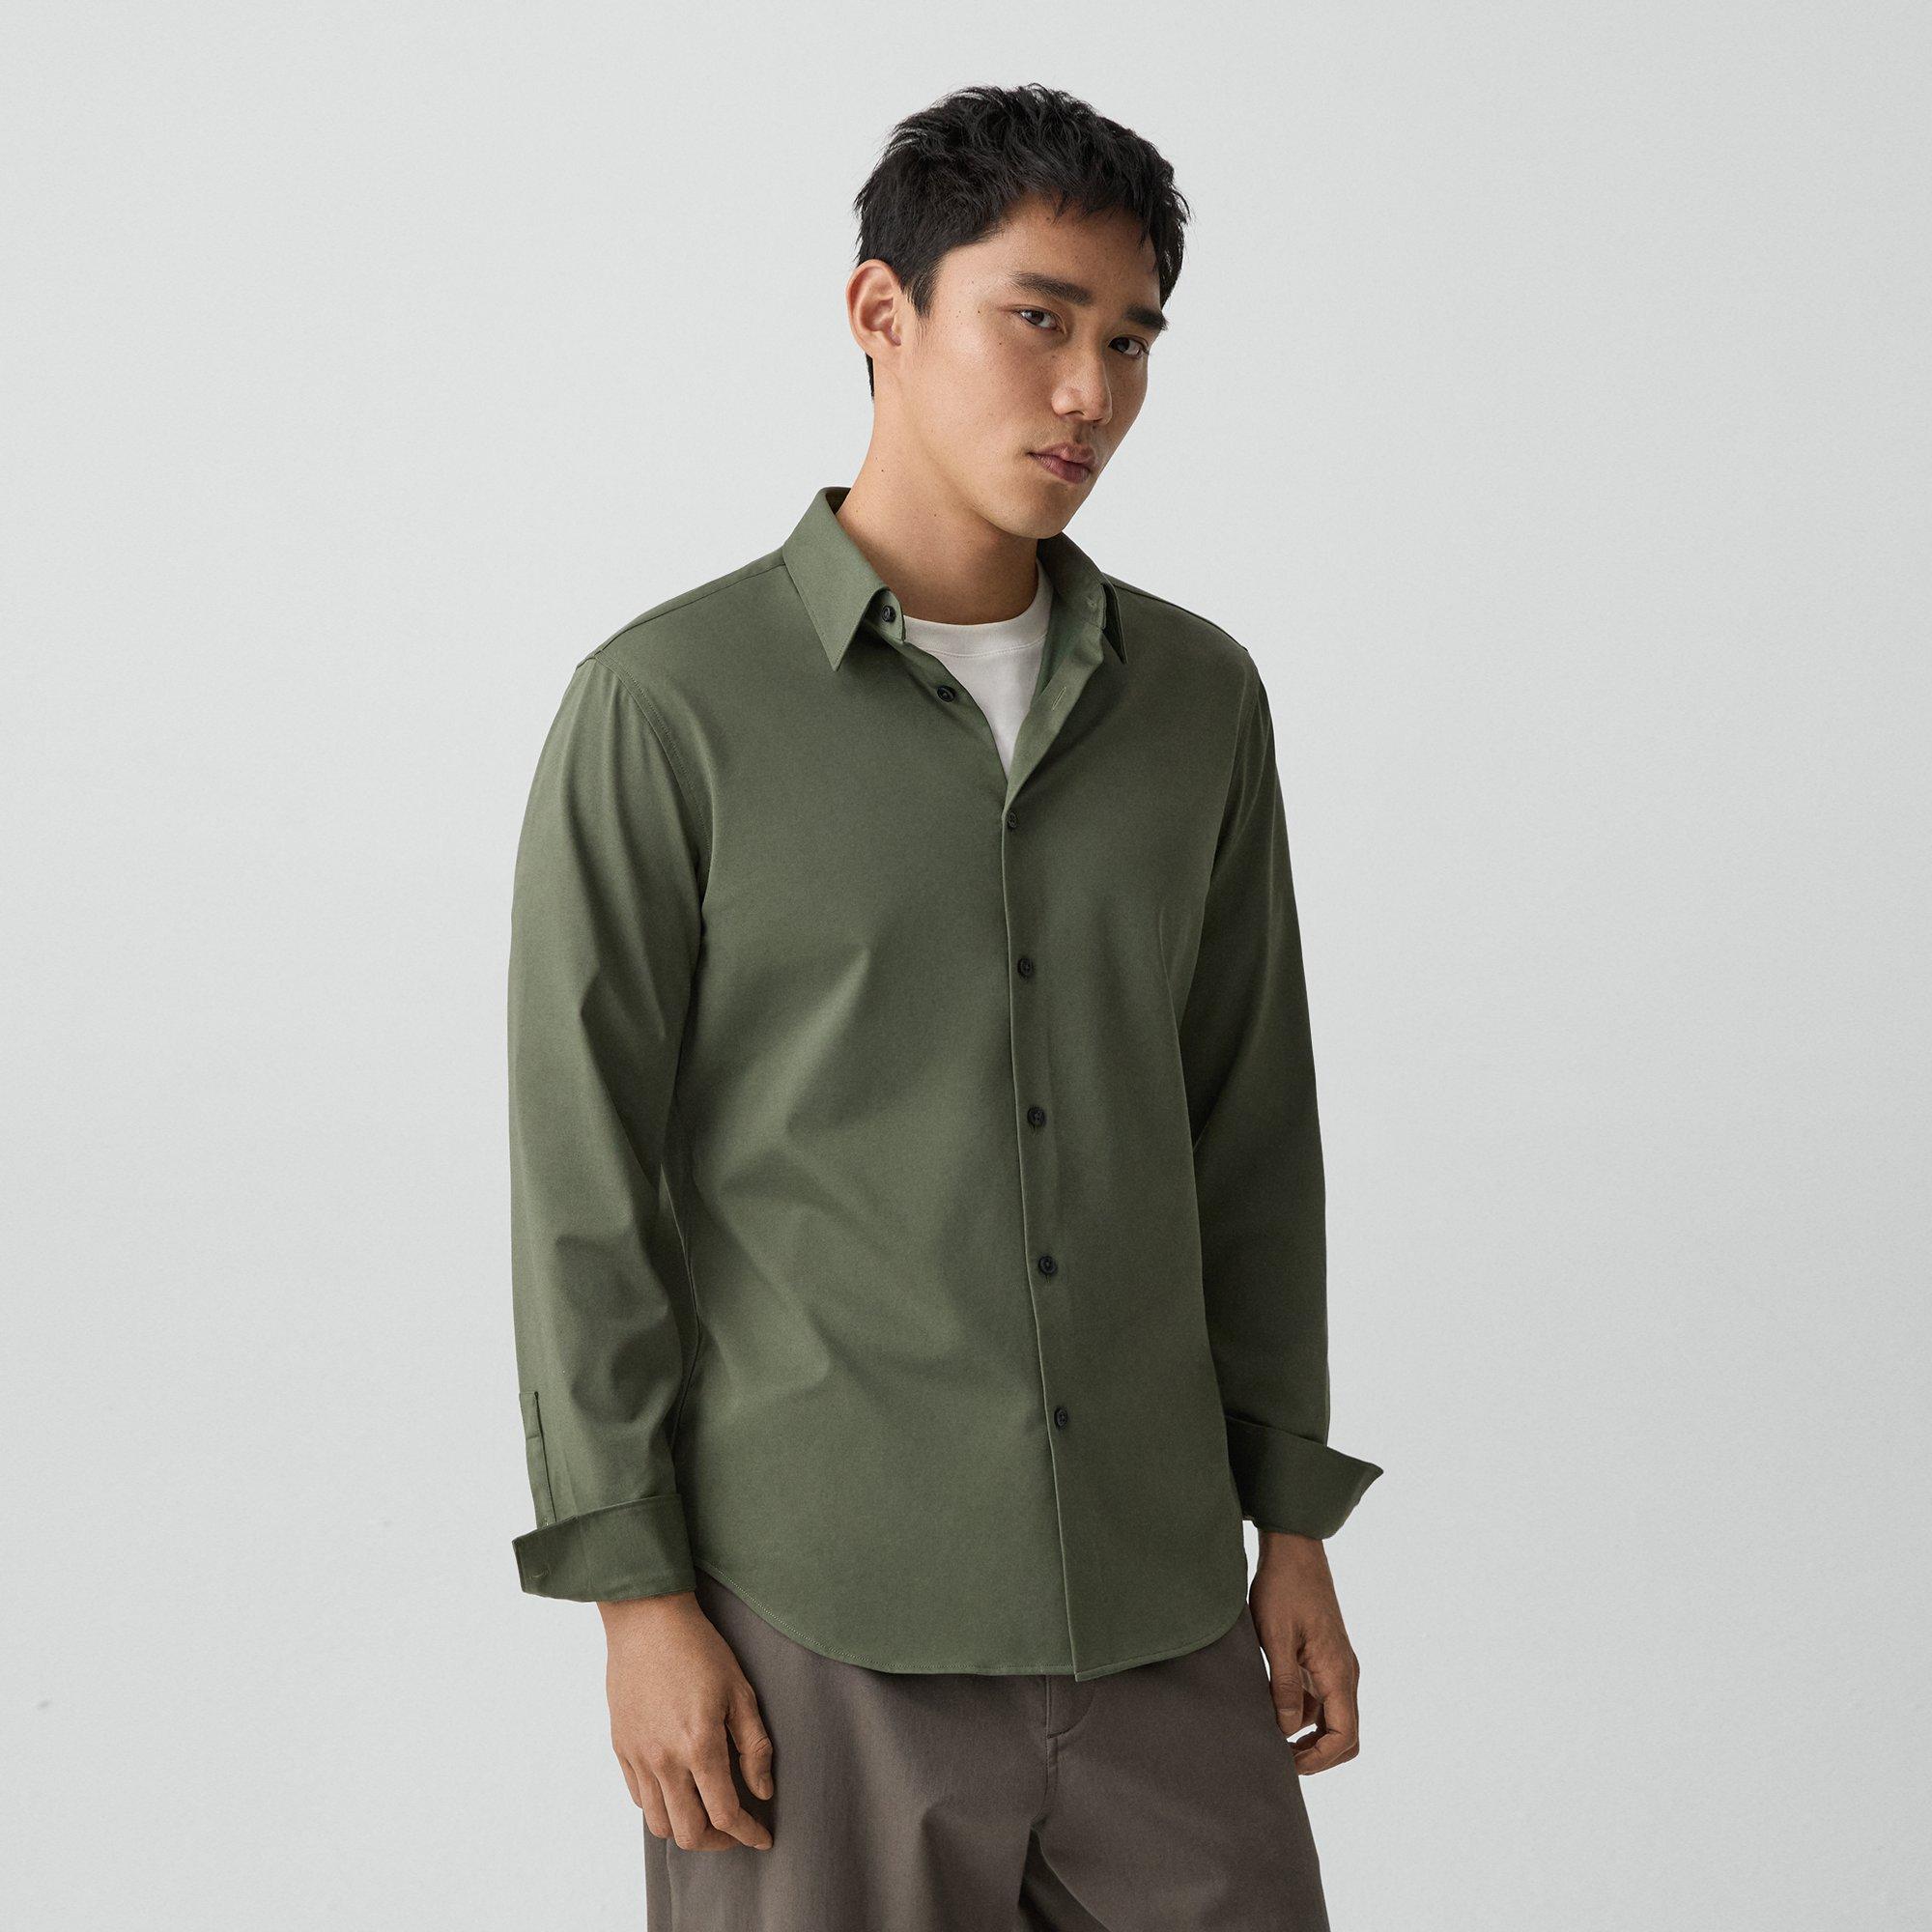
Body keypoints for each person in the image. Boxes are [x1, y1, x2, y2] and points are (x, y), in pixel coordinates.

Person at [506, 80, 1384, 1930]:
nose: (1089, 392)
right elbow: (587, 1186)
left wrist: (1291, 1520)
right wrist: (637, 1601)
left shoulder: (1200, 703)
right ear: (882, 313)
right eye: (1037, 318)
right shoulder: (667, 709)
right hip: (818, 1619)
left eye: (1130, 340)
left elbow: (1252, 1126)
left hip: (1161, 1598)